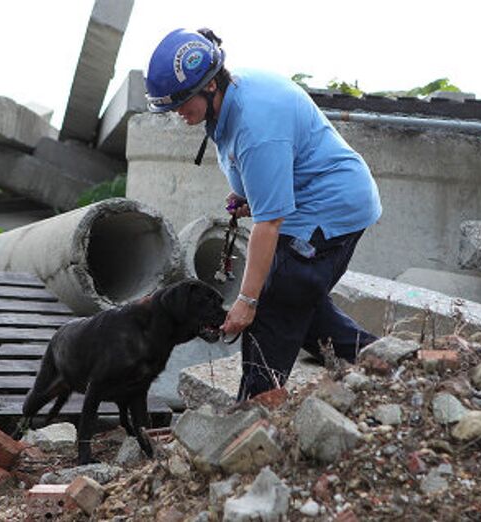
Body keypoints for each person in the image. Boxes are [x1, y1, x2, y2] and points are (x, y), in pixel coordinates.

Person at [145, 28, 383, 401]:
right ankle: (389, 363)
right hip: (309, 203)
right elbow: (271, 175)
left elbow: (269, 224)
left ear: (209, 86)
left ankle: (255, 413)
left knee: (275, 300)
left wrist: (247, 301)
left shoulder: (256, 126)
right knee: (298, 299)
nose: (178, 114)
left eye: (181, 103)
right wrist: (250, 195)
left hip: (332, 208)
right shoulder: (231, 98)